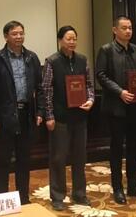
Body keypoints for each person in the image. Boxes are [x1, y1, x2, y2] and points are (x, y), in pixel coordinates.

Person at [95, 16, 136, 203]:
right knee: (117, 149)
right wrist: (120, 92)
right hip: (116, 107)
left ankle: (133, 185)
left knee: (135, 147)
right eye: (124, 28)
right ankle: (118, 187)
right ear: (115, 30)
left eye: (130, 28)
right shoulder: (106, 50)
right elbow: (100, 75)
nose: (128, 31)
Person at [0, 20, 45, 204]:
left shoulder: (32, 57)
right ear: (6, 37)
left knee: (24, 160)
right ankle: (2, 199)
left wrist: (40, 111)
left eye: (21, 33)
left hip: (26, 114)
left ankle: (23, 198)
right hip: (5, 116)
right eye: (14, 34)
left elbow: (40, 88)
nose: (19, 37)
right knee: (3, 160)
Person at [42, 25, 95, 212]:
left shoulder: (82, 60)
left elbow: (89, 85)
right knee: (58, 158)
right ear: (60, 40)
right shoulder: (52, 61)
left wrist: (90, 99)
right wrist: (49, 115)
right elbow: (46, 90)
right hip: (60, 118)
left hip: (79, 117)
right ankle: (57, 196)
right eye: (68, 39)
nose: (72, 42)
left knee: (80, 157)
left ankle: (79, 193)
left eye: (74, 39)